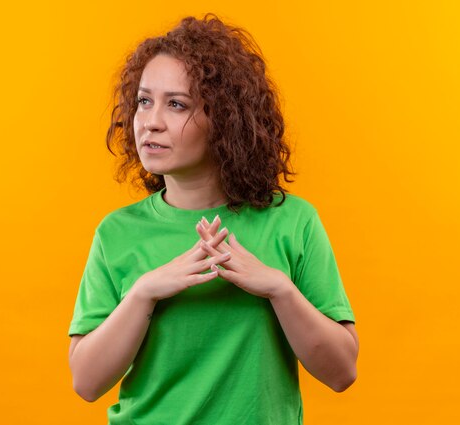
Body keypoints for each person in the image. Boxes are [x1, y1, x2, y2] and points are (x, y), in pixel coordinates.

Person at [68, 14, 358, 425]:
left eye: (176, 104)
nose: (150, 121)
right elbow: (86, 382)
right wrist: (144, 293)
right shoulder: (117, 233)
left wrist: (279, 289)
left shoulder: (293, 222)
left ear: (224, 120)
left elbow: (342, 372)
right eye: (144, 101)